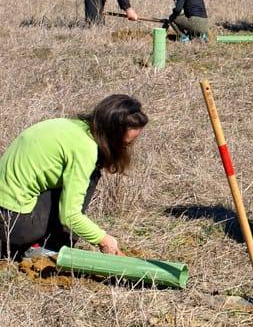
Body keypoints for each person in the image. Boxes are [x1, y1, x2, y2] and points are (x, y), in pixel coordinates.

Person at [0, 95, 148, 259]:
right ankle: (50, 248)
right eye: (125, 143)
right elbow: (70, 216)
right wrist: (103, 239)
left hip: (5, 213)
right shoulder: (85, 148)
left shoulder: (70, 126)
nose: (126, 147)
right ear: (111, 134)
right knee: (92, 175)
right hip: (12, 226)